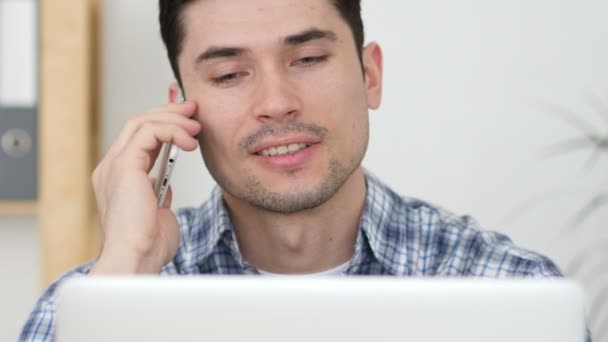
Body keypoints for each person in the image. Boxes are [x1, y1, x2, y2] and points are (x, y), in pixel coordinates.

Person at [20, 0, 569, 341]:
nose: (276, 102)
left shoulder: (508, 287)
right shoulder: (89, 302)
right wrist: (127, 271)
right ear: (181, 109)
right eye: (231, 74)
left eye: (307, 60)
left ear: (369, 75)